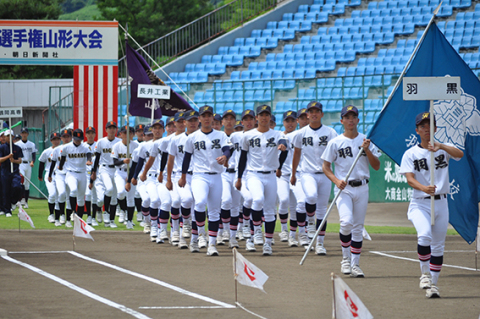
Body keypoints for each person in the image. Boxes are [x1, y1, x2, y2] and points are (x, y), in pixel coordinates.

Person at [399, 112, 463, 298]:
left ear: (435, 129)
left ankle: (433, 285)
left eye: (430, 125)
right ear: (417, 130)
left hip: (442, 202)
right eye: (423, 126)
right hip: (420, 203)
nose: (427, 129)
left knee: (438, 247)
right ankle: (425, 274)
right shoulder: (411, 153)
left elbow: (460, 154)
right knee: (425, 234)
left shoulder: (443, 149)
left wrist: (441, 146)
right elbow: (410, 179)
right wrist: (424, 188)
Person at [322, 105, 381, 278]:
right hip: (344, 188)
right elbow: (325, 166)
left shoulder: (366, 140)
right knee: (346, 222)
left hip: (362, 186)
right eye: (347, 117)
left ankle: (355, 264)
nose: (350, 120)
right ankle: (345, 259)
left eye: (353, 117)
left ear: (358, 120)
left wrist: (367, 150)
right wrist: (335, 180)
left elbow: (376, 166)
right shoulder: (335, 142)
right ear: (342, 121)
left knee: (357, 227)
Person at [178, 105, 232, 256]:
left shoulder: (220, 135)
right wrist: (183, 177)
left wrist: (225, 156)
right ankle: (199, 236)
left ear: (212, 118)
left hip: (216, 175)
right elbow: (187, 158)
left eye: (209, 115)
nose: (207, 118)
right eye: (204, 115)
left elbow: (227, 149)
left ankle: (212, 244)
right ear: (200, 118)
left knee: (215, 212)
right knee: (200, 203)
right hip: (199, 175)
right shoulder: (193, 137)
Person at [235, 105, 288, 255]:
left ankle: (268, 243)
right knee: (257, 200)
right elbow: (243, 158)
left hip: (271, 175)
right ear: (256, 118)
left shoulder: (277, 134)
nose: (264, 117)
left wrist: (280, 163)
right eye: (261, 115)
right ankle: (253, 235)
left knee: (270, 211)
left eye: (267, 114)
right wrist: (239, 177)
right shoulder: (248, 135)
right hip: (253, 174)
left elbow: (284, 146)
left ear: (270, 117)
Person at [291, 102, 338, 254]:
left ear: (322, 114)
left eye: (317, 111)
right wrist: (293, 174)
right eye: (311, 112)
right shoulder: (301, 133)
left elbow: (337, 150)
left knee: (322, 210)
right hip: (307, 173)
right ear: (307, 115)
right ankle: (310, 221)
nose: (314, 114)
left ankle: (319, 244)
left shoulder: (330, 132)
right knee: (310, 196)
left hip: (325, 174)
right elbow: (296, 154)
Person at [168, 110, 200, 251]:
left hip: (199, 175)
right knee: (182, 201)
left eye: (194, 120)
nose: (192, 123)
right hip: (180, 175)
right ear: (184, 123)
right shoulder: (176, 139)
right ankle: (177, 232)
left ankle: (192, 239)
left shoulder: (203, 137)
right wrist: (168, 179)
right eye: (189, 120)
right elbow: (170, 160)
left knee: (195, 208)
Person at [55, 129, 92, 222]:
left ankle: (79, 220)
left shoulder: (85, 147)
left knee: (80, 199)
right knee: (73, 190)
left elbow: (89, 155)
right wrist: (61, 166)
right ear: (72, 138)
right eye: (76, 139)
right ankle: (73, 211)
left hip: (82, 173)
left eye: (80, 139)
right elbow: (63, 157)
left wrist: (88, 160)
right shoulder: (67, 147)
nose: (78, 141)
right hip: (71, 173)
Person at [91, 121, 121, 227]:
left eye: (114, 127)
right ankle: (105, 212)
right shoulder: (101, 142)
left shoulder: (120, 142)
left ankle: (111, 220)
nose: (112, 130)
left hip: (116, 170)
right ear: (106, 130)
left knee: (114, 196)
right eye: (109, 128)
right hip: (104, 169)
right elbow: (97, 158)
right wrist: (93, 172)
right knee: (109, 189)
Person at [219, 109, 241, 247]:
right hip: (223, 173)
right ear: (222, 122)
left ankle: (232, 237)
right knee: (225, 200)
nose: (229, 121)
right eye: (226, 119)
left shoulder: (239, 136)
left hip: (237, 172)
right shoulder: (219, 136)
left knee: (235, 206)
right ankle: (222, 231)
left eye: (231, 119)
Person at [112, 126, 138, 229]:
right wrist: (123, 161)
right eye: (124, 133)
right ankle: (122, 210)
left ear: (133, 134)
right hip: (120, 172)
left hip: (131, 172)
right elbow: (114, 162)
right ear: (120, 134)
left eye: (130, 133)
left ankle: (130, 221)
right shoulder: (117, 146)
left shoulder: (136, 145)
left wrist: (132, 176)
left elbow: (138, 162)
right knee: (121, 193)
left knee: (131, 198)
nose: (127, 135)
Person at [50, 129, 73, 226]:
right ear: (61, 138)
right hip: (59, 174)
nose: (66, 138)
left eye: (68, 136)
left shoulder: (74, 148)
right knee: (61, 193)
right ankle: (59, 216)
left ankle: (68, 220)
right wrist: (49, 174)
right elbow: (53, 162)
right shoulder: (57, 149)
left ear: (71, 137)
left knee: (69, 196)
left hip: (70, 174)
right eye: (64, 137)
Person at [38, 132, 61, 223]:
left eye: (58, 139)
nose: (56, 141)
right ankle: (51, 214)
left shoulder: (63, 150)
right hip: (49, 174)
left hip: (60, 174)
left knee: (60, 195)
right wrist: (40, 175)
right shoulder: (46, 151)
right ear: (51, 141)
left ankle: (59, 216)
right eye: (54, 139)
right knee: (52, 194)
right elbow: (41, 163)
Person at [0, 130, 23, 217]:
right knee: (5, 191)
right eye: (7, 136)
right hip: (5, 172)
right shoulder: (2, 148)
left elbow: (20, 161)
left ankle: (13, 201)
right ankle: (7, 210)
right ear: (5, 137)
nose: (8, 137)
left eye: (10, 136)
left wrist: (14, 161)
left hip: (15, 172)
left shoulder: (17, 148)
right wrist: (8, 157)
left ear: (13, 137)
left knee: (17, 187)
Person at [16, 127, 37, 208]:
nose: (24, 134)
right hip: (20, 164)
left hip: (28, 164)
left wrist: (32, 162)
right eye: (23, 133)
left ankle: (26, 202)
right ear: (21, 134)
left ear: (27, 134)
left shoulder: (31, 144)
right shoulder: (17, 144)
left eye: (25, 133)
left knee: (27, 184)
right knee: (22, 182)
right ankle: (20, 200)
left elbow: (34, 155)